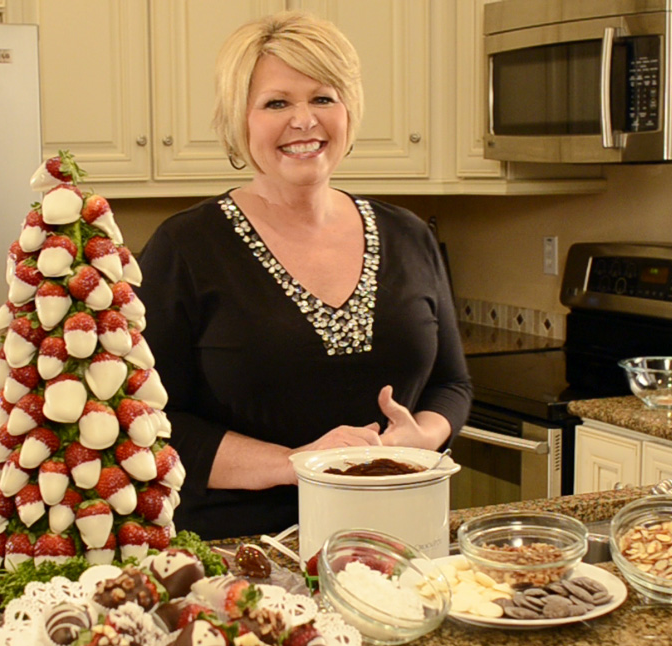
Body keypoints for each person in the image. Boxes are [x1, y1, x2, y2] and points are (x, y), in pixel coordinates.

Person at [136, 11, 472, 541]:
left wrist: (418, 441)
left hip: (402, 537)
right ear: (239, 119)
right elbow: (148, 424)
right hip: (243, 552)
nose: (304, 120)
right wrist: (301, 462)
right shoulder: (185, 247)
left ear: (348, 111)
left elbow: (450, 386)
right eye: (276, 102)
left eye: (323, 97)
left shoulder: (409, 234)